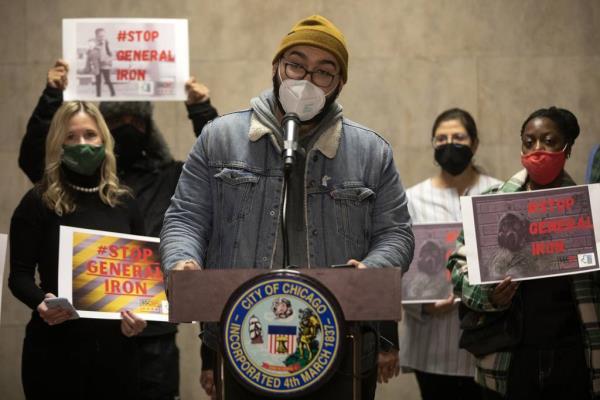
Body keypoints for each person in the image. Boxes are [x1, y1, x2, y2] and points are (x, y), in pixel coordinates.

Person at [159, 15, 414, 400]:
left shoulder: (371, 152)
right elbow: (186, 219)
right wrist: (183, 261)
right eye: (296, 64)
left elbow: (395, 233)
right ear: (277, 68)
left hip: (341, 341)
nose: (306, 79)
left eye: (323, 72)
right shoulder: (220, 139)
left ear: (339, 84)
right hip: (241, 339)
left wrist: (370, 270)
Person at [18, 59, 219, 400]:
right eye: (117, 121)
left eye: (135, 120)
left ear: (148, 128)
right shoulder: (78, 187)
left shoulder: (173, 177)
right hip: (85, 337)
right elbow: (34, 159)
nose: (128, 127)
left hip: (154, 336)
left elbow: (219, 166)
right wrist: (52, 94)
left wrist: (200, 109)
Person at [448, 107, 599, 399]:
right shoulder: (491, 205)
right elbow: (458, 269)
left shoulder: (588, 210)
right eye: (529, 142)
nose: (537, 149)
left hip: (573, 357)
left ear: (567, 149)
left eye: (549, 141)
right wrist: (488, 296)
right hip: (510, 360)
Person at [8, 101, 147, 399]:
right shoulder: (38, 201)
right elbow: (18, 277)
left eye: (89, 135)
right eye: (71, 137)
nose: (82, 143)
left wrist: (139, 319)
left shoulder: (125, 202)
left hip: (118, 355)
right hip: (54, 353)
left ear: (104, 141)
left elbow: (139, 282)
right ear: (57, 143)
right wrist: (40, 301)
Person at [399, 108, 502, 400]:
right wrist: (422, 304)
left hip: (488, 344)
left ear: (475, 144)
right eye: (441, 139)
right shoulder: (411, 198)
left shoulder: (497, 192)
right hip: (431, 344)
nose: (450, 144)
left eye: (458, 137)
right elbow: (400, 262)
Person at [93, 28, 115, 97]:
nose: (102, 37)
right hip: (97, 65)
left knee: (107, 80)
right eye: (100, 36)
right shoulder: (94, 44)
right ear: (96, 36)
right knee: (98, 82)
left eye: (103, 36)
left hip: (105, 65)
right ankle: (98, 95)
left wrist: (108, 60)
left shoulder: (107, 43)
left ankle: (113, 93)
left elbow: (112, 55)